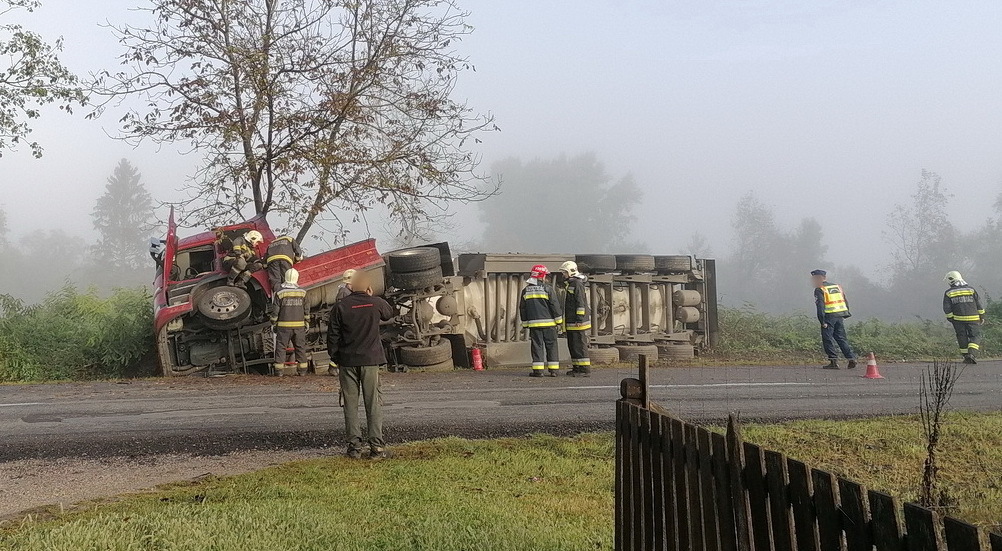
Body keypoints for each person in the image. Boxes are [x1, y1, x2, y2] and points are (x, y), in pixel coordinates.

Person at [326, 270, 394, 459]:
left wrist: (336, 357)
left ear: (351, 286)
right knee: (373, 403)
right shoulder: (376, 303)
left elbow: (332, 336)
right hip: (370, 362)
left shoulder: (341, 307)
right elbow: (389, 314)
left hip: (347, 362)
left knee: (350, 404)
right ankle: (377, 448)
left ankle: (354, 448)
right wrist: (372, 297)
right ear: (368, 287)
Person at [519, 264, 564, 377]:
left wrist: (525, 324)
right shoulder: (548, 289)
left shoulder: (525, 291)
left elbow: (522, 308)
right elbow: (554, 305)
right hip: (549, 324)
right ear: (542, 276)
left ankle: (538, 371)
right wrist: (559, 321)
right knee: (551, 346)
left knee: (537, 346)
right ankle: (554, 371)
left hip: (534, 325)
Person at [811, 269, 858, 370]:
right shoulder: (836, 287)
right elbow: (845, 300)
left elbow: (820, 306)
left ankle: (833, 362)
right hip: (839, 315)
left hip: (828, 317)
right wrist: (845, 313)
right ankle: (851, 358)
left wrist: (822, 321)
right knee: (841, 338)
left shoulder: (820, 289)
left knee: (827, 339)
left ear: (818, 278)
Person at [272, 268, 310, 376]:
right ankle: (302, 371)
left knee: (281, 347)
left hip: (283, 327)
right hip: (299, 326)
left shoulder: (280, 293)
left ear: (285, 277)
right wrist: (307, 322)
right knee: (300, 348)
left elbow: (275, 311)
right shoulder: (303, 292)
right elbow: (306, 310)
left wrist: (273, 323)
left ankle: (279, 371)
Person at [943, 271, 985, 365]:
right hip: (974, 318)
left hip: (958, 319)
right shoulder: (971, 290)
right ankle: (972, 354)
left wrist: (951, 318)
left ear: (951, 280)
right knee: (975, 336)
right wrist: (982, 316)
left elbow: (947, 308)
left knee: (961, 336)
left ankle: (966, 356)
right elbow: (979, 304)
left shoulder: (949, 293)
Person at [559, 261, 591, 377]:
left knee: (579, 345)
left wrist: (579, 319)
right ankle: (577, 367)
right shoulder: (572, 284)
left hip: (578, 322)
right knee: (573, 345)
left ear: (570, 272)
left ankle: (584, 369)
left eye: (564, 272)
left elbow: (580, 303)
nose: (563, 274)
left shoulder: (577, 284)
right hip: (572, 321)